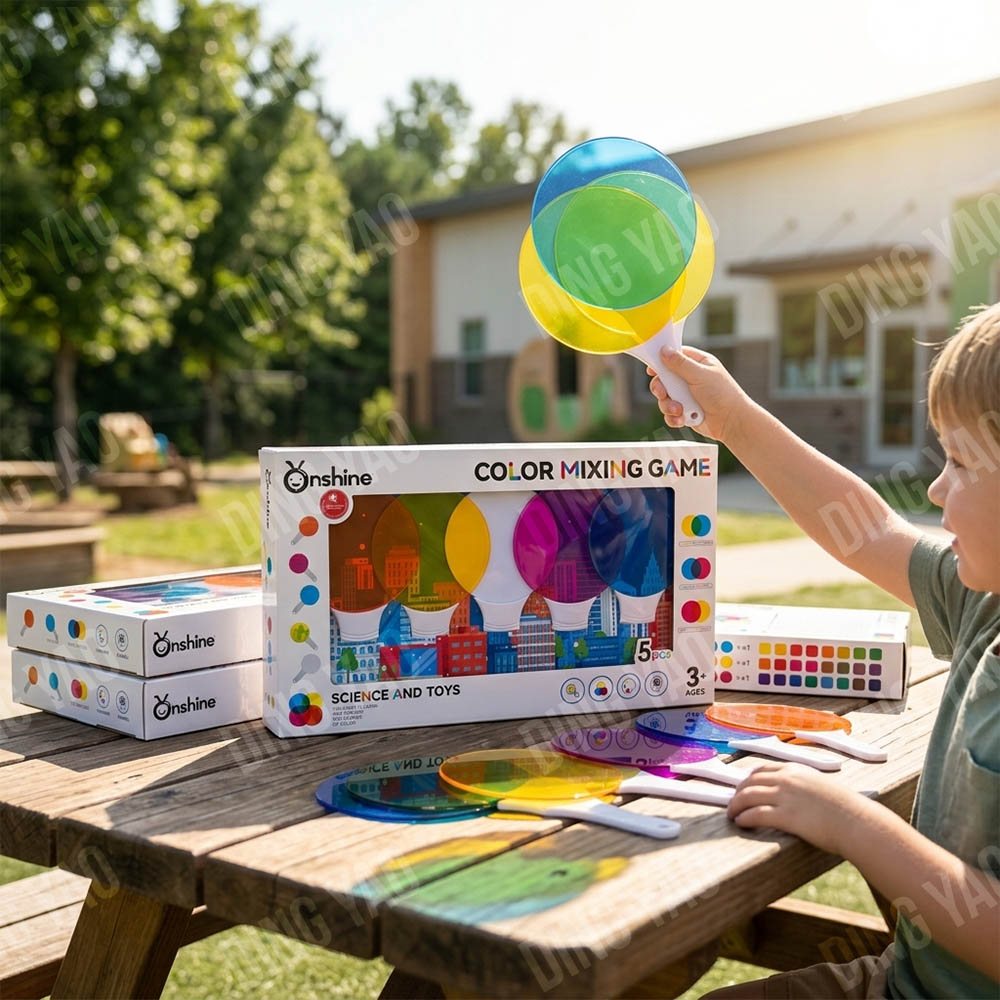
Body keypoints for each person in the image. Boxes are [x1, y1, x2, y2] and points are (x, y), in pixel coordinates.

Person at [647, 302, 1000, 999]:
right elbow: (867, 531)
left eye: (959, 463)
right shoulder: (983, 604)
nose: (935, 487)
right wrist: (733, 419)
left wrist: (851, 823)